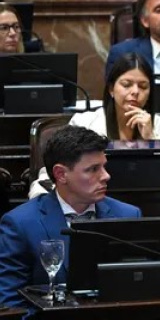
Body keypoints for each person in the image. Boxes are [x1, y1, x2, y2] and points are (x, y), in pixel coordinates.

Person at [0, 126, 141, 312]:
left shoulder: (127, 215)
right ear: (61, 174)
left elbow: (137, 289)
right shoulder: (20, 224)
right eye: (93, 169)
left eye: (104, 166)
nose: (106, 176)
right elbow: (11, 305)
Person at [29, 52, 160, 198]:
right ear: (111, 89)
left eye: (143, 86)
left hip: (148, 198)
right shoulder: (84, 123)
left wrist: (150, 141)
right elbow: (58, 170)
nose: (135, 91)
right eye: (126, 85)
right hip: (91, 199)